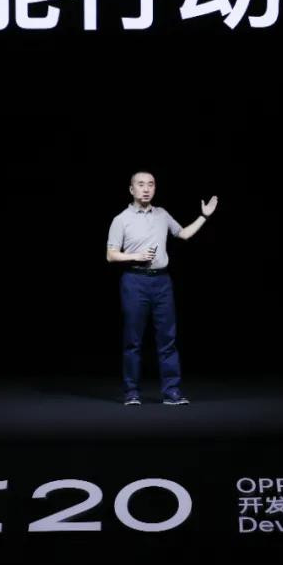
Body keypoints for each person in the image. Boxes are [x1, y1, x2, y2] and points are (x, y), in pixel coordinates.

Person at [106, 171, 218, 405]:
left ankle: (171, 392)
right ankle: (131, 392)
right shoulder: (121, 219)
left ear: (155, 189)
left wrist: (204, 216)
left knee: (168, 339)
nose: (146, 188)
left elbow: (183, 234)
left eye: (151, 184)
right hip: (134, 281)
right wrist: (136, 256)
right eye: (141, 184)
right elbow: (111, 255)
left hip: (162, 282)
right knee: (133, 341)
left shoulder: (162, 214)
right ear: (131, 189)